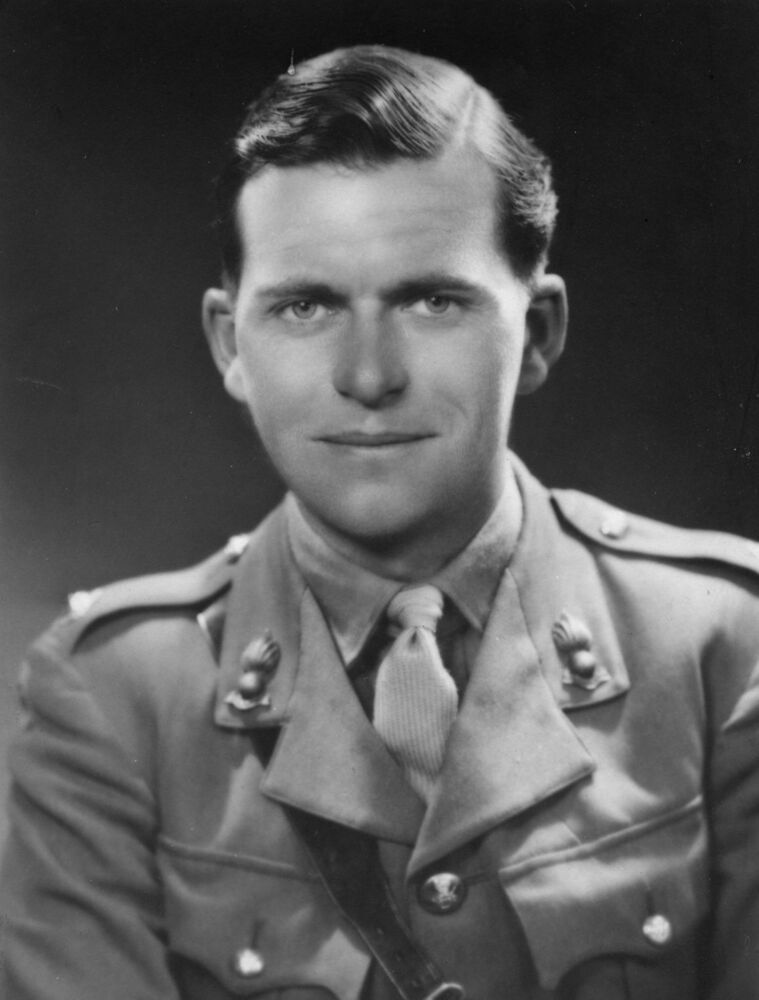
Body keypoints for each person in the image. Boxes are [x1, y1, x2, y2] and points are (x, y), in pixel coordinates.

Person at [1, 43, 758, 1000]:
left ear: (537, 333)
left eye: (432, 301)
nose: (368, 376)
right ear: (230, 345)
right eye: (305, 307)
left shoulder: (719, 647)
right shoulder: (115, 699)